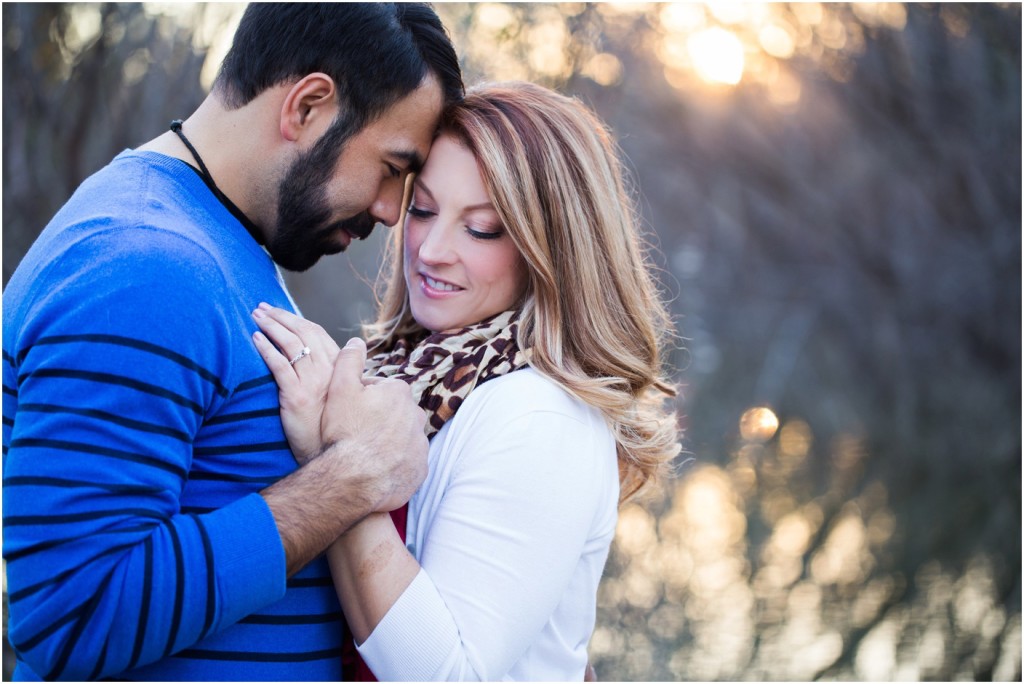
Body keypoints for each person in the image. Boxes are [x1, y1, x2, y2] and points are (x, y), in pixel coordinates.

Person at [1, 4, 462, 681]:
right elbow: (70, 617)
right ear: (307, 107)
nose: (392, 210)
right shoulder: (146, 268)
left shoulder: (215, 239)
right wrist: (350, 478)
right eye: (393, 167)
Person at [251, 81, 681, 680]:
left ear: (551, 249)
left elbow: (454, 675)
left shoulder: (539, 415)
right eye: (423, 210)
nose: (430, 250)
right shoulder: (406, 372)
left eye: (479, 228)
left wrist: (342, 463)